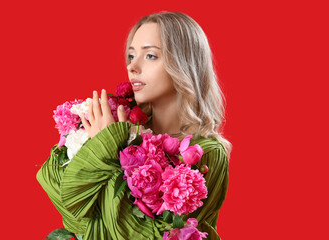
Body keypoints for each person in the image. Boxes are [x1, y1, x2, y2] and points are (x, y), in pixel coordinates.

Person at [37, 11, 231, 240]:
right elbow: (68, 209)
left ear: (184, 62)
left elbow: (145, 236)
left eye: (150, 56)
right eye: (131, 56)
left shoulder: (206, 153)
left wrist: (106, 147)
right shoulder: (120, 124)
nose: (132, 67)